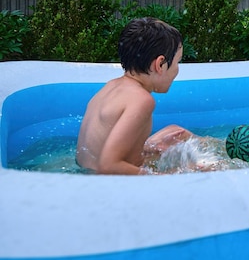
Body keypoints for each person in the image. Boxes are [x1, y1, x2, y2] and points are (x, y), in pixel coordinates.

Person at [75, 17, 200, 174]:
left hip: (86, 175)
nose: (177, 70)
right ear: (160, 64)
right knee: (199, 170)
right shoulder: (142, 100)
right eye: (177, 62)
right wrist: (169, 174)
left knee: (176, 132)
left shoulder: (111, 86)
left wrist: (148, 148)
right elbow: (107, 166)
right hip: (107, 185)